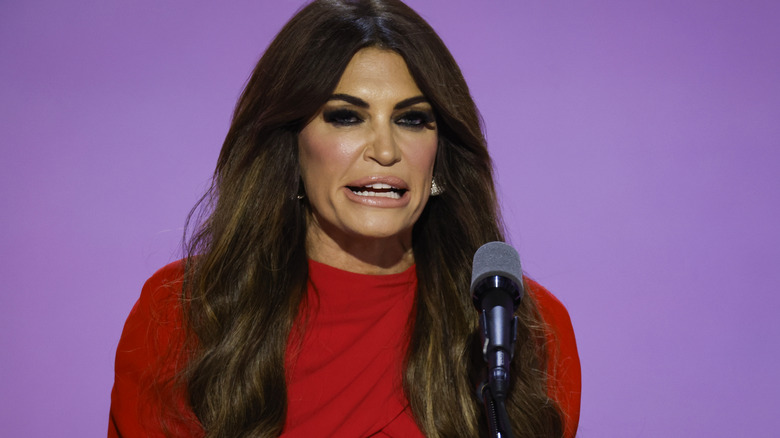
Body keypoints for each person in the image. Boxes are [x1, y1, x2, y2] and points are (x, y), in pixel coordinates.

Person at [109, 0, 581, 437]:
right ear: (290, 145)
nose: (385, 150)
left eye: (412, 119)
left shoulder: (515, 324)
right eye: (346, 117)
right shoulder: (183, 314)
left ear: (439, 157)